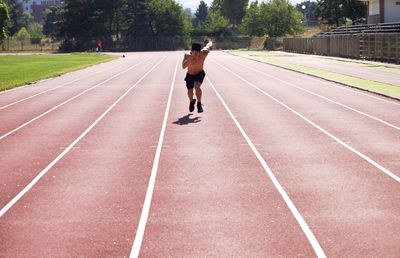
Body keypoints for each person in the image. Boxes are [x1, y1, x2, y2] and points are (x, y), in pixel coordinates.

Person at [182, 40, 213, 113]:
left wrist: (209, 41)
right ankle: (192, 101)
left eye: (198, 52)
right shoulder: (187, 55)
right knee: (190, 91)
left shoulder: (204, 53)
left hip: (199, 73)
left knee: (197, 86)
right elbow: (183, 66)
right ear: (192, 51)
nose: (196, 54)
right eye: (194, 52)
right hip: (190, 75)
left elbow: (208, 45)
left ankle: (199, 103)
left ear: (200, 51)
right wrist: (191, 57)